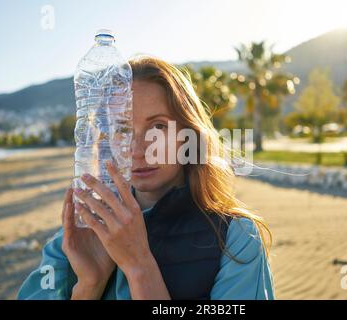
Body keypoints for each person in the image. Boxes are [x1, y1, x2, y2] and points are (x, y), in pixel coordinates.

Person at [17, 55, 274, 300]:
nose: (138, 150)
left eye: (158, 127)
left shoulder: (236, 238)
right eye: (122, 129)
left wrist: (139, 266)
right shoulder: (77, 236)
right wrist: (88, 286)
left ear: (189, 136)